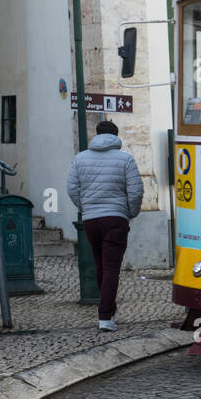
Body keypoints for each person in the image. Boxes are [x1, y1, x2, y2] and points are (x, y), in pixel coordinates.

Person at [67, 121, 144, 331]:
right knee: (111, 268)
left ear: (96, 134)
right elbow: (136, 191)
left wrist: (86, 208)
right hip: (115, 219)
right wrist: (130, 212)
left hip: (91, 220)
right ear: (116, 136)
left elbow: (72, 188)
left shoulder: (80, 158)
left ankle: (108, 311)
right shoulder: (125, 159)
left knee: (101, 264)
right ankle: (105, 316)